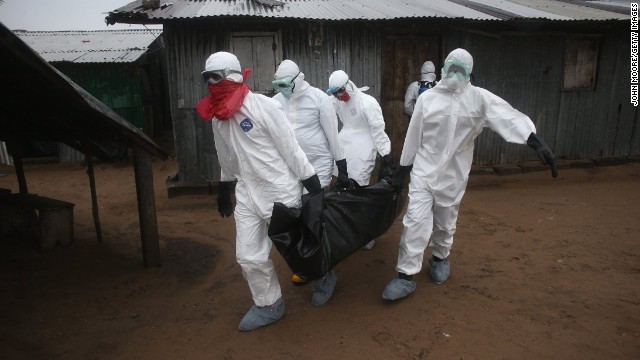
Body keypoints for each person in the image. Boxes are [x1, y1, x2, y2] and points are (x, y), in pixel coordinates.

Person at [383, 48, 558, 301]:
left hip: (453, 175)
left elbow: (507, 117)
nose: (454, 73)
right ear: (443, 69)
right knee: (414, 223)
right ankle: (405, 276)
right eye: (451, 68)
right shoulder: (427, 99)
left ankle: (440, 258)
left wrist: (534, 140)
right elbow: (413, 137)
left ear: (469, 73)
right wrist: (402, 171)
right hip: (424, 170)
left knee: (445, 222)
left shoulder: (480, 99)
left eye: (461, 69)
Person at [196, 52, 337, 331]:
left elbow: (291, 149)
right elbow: (225, 156)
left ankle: (324, 275)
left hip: (279, 192)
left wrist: (312, 185)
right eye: (207, 78)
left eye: (216, 76)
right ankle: (269, 304)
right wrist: (225, 187)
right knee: (249, 255)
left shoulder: (264, 107)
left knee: (299, 249)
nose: (212, 83)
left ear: (234, 75)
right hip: (247, 193)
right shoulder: (218, 119)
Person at [271, 59, 350, 285]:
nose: (283, 90)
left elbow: (333, 137)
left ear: (299, 79)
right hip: (290, 169)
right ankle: (305, 263)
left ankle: (324, 272)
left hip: (318, 167)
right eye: (279, 85)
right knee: (295, 215)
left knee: (315, 216)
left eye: (286, 84)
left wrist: (341, 168)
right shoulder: (276, 102)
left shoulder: (320, 99)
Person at [326, 70, 393, 250]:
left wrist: (385, 155)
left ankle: (364, 232)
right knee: (341, 184)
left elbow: (378, 129)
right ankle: (344, 225)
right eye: (334, 93)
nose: (338, 96)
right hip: (345, 142)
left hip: (364, 143)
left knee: (360, 187)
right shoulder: (336, 101)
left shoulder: (367, 103)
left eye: (340, 91)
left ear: (349, 85)